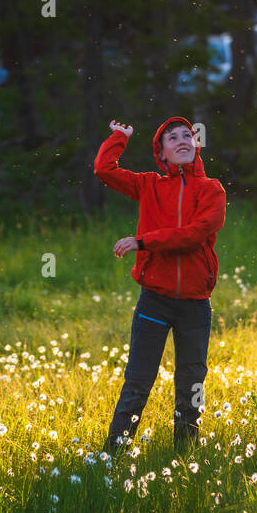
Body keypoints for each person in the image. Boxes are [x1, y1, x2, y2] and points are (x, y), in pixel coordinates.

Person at [94, 116, 226, 455]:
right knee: (138, 379)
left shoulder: (212, 190)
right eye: (172, 138)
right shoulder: (148, 185)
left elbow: (194, 234)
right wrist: (119, 138)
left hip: (196, 303)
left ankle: (185, 456)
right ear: (162, 153)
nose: (183, 140)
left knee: (192, 381)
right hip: (154, 299)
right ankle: (114, 454)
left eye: (188, 136)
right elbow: (104, 170)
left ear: (196, 147)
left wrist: (143, 242)